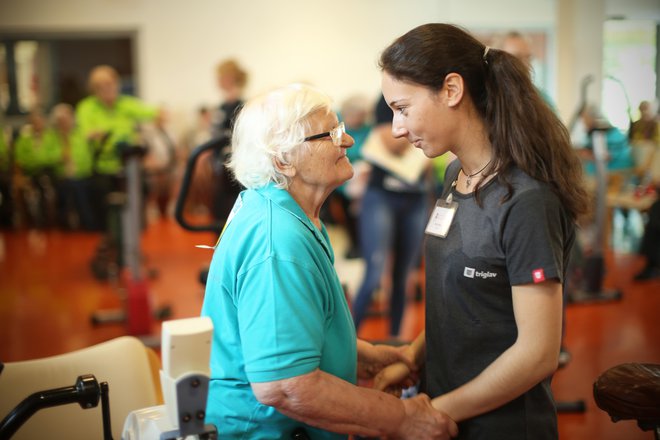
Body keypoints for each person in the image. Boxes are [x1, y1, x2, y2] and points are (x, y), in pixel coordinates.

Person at [200, 83, 457, 440]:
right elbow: (285, 386)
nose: (348, 141)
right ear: (282, 160)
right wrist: (400, 418)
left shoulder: (285, 213)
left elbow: (291, 329)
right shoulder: (278, 242)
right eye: (331, 134)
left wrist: (363, 356)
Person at [373, 23, 590, 439]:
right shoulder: (456, 175)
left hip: (501, 426)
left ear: (451, 90)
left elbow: (538, 353)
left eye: (403, 108)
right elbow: (460, 302)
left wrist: (433, 411)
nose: (397, 128)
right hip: (446, 412)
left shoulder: (526, 201)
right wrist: (412, 357)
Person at [351, 94, 431, 338]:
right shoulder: (386, 99)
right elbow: (393, 143)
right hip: (382, 196)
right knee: (374, 273)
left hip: (416, 197)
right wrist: (426, 129)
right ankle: (348, 339)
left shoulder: (427, 96)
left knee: (403, 278)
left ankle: (395, 344)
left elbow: (430, 156)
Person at [75, 64, 160, 229]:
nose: (109, 89)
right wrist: (101, 134)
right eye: (102, 87)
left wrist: (160, 116)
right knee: (104, 203)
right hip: (101, 166)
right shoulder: (87, 108)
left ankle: (133, 232)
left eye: (111, 84)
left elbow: (152, 113)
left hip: (129, 164)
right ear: (95, 90)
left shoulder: (126, 104)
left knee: (142, 189)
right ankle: (110, 238)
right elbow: (87, 133)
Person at [45, 103, 96, 230]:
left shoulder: (80, 134)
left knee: (82, 186)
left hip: (83, 175)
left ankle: (87, 222)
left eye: (67, 119)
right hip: (61, 176)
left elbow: (86, 157)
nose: (64, 123)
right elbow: (44, 157)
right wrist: (60, 157)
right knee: (71, 186)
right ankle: (81, 222)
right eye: (61, 120)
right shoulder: (51, 137)